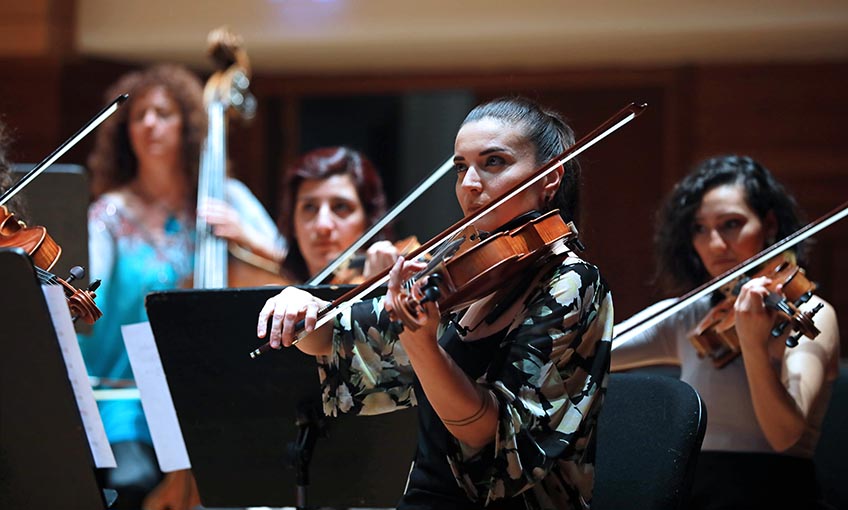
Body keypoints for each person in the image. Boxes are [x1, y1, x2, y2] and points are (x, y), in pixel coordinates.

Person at [256, 97, 613, 510]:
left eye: (493, 162)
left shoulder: (571, 281)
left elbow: (488, 436)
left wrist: (422, 345)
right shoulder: (458, 264)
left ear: (550, 177)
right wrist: (302, 308)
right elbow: (341, 338)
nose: (470, 184)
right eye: (462, 166)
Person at [78, 64, 284, 509]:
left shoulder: (225, 196)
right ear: (124, 132)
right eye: (139, 116)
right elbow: (90, 282)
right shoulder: (108, 215)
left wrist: (244, 238)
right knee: (133, 481)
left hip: (208, 385)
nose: (150, 123)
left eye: (163, 113)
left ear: (188, 127)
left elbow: (286, 266)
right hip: (127, 393)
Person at [611, 155, 840, 510]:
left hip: (776, 494)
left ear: (769, 224)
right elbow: (592, 352)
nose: (715, 244)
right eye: (700, 229)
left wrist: (752, 342)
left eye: (731, 224)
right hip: (695, 491)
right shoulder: (692, 315)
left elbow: (784, 436)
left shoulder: (813, 314)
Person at [277, 145, 398, 284]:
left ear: (368, 220)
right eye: (309, 207)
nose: (323, 225)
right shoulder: (279, 298)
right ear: (293, 224)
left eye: (340, 206)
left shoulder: (392, 289)